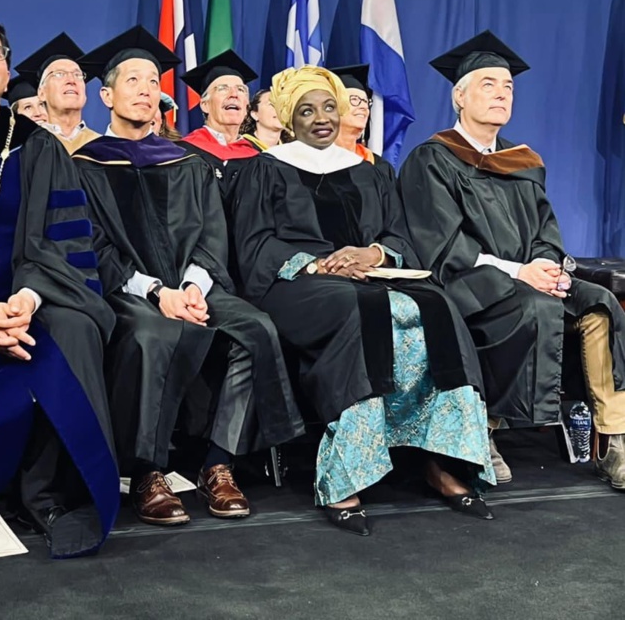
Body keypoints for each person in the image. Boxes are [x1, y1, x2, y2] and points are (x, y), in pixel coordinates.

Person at [232, 65, 494, 536]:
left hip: (370, 274)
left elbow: (397, 235)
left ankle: (441, 461)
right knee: (367, 311)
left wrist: (372, 251)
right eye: (307, 111)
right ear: (289, 120)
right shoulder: (262, 169)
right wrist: (316, 263)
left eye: (329, 107)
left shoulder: (370, 170)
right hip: (299, 285)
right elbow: (253, 246)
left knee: (437, 308)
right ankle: (346, 474)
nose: (321, 118)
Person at [74, 28, 304, 524]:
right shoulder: (86, 165)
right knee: (153, 334)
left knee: (255, 329)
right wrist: (158, 292)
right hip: (128, 291)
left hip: (194, 285)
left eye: (152, 79)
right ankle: (147, 472)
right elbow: (93, 247)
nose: (143, 88)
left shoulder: (186, 162)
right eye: (130, 79)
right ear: (106, 95)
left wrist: (195, 287)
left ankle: (218, 463)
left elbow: (211, 237)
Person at [0, 16, 119, 563]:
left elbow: (65, 245)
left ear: (8, 71)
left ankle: (49, 494)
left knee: (77, 325)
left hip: (27, 300)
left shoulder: (39, 146)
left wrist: (24, 300)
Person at [398, 31, 625, 489]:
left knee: (600, 303)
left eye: (508, 87)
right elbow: (442, 244)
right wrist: (519, 272)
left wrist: (546, 268)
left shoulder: (524, 161)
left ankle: (615, 439)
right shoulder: (431, 159)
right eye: (488, 84)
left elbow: (546, 232)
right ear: (459, 96)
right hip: (468, 284)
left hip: (530, 279)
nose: (502, 93)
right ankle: (487, 430)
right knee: (530, 305)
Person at [180, 50, 259, 198]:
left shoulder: (259, 158)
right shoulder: (183, 153)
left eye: (241, 89)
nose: (234, 94)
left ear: (247, 106)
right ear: (205, 105)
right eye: (223, 88)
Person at [16, 33, 99, 153]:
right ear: (42, 93)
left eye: (78, 75)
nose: (71, 80)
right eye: (59, 74)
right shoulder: (26, 149)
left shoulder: (105, 148)